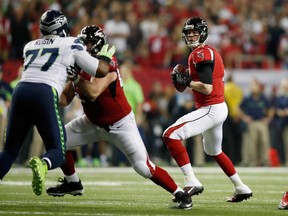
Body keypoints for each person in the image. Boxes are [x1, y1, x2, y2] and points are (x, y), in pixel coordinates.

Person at [46, 25, 192, 210]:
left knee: (143, 167)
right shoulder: (78, 65)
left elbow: (93, 92)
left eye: (88, 43)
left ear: (97, 45)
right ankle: (73, 182)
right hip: (92, 122)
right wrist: (47, 94)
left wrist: (75, 79)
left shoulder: (108, 64)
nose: (83, 47)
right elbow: (65, 99)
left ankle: (180, 194)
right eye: (82, 43)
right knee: (58, 141)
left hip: (120, 124)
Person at [0, 10, 116, 196]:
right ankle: (43, 164)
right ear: (63, 27)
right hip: (44, 93)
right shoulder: (72, 43)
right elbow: (100, 71)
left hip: (20, 91)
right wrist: (104, 57)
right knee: (57, 151)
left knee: (9, 151)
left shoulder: (29, 46)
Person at [162, 17, 253, 203]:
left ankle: (191, 180)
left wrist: (186, 81)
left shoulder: (200, 54)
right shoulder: (208, 51)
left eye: (194, 32)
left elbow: (207, 88)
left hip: (210, 108)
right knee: (214, 150)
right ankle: (241, 187)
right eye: (188, 33)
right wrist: (187, 81)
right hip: (217, 107)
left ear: (203, 33)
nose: (191, 36)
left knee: (170, 135)